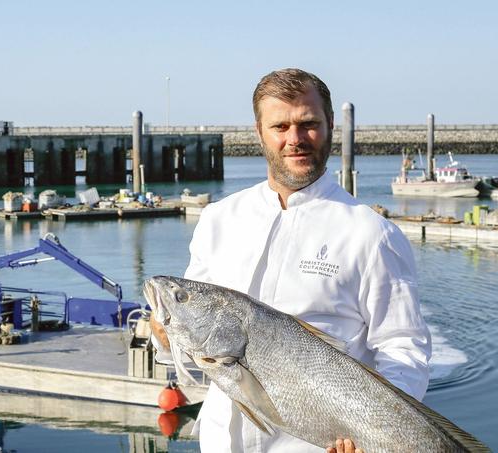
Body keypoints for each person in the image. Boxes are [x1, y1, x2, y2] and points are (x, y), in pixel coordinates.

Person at [150, 68, 431, 453]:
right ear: (259, 132)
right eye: (280, 126)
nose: (294, 139)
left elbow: (404, 347)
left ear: (331, 125)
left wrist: (377, 438)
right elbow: (200, 352)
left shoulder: (372, 233)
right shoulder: (218, 219)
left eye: (308, 124)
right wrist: (165, 335)